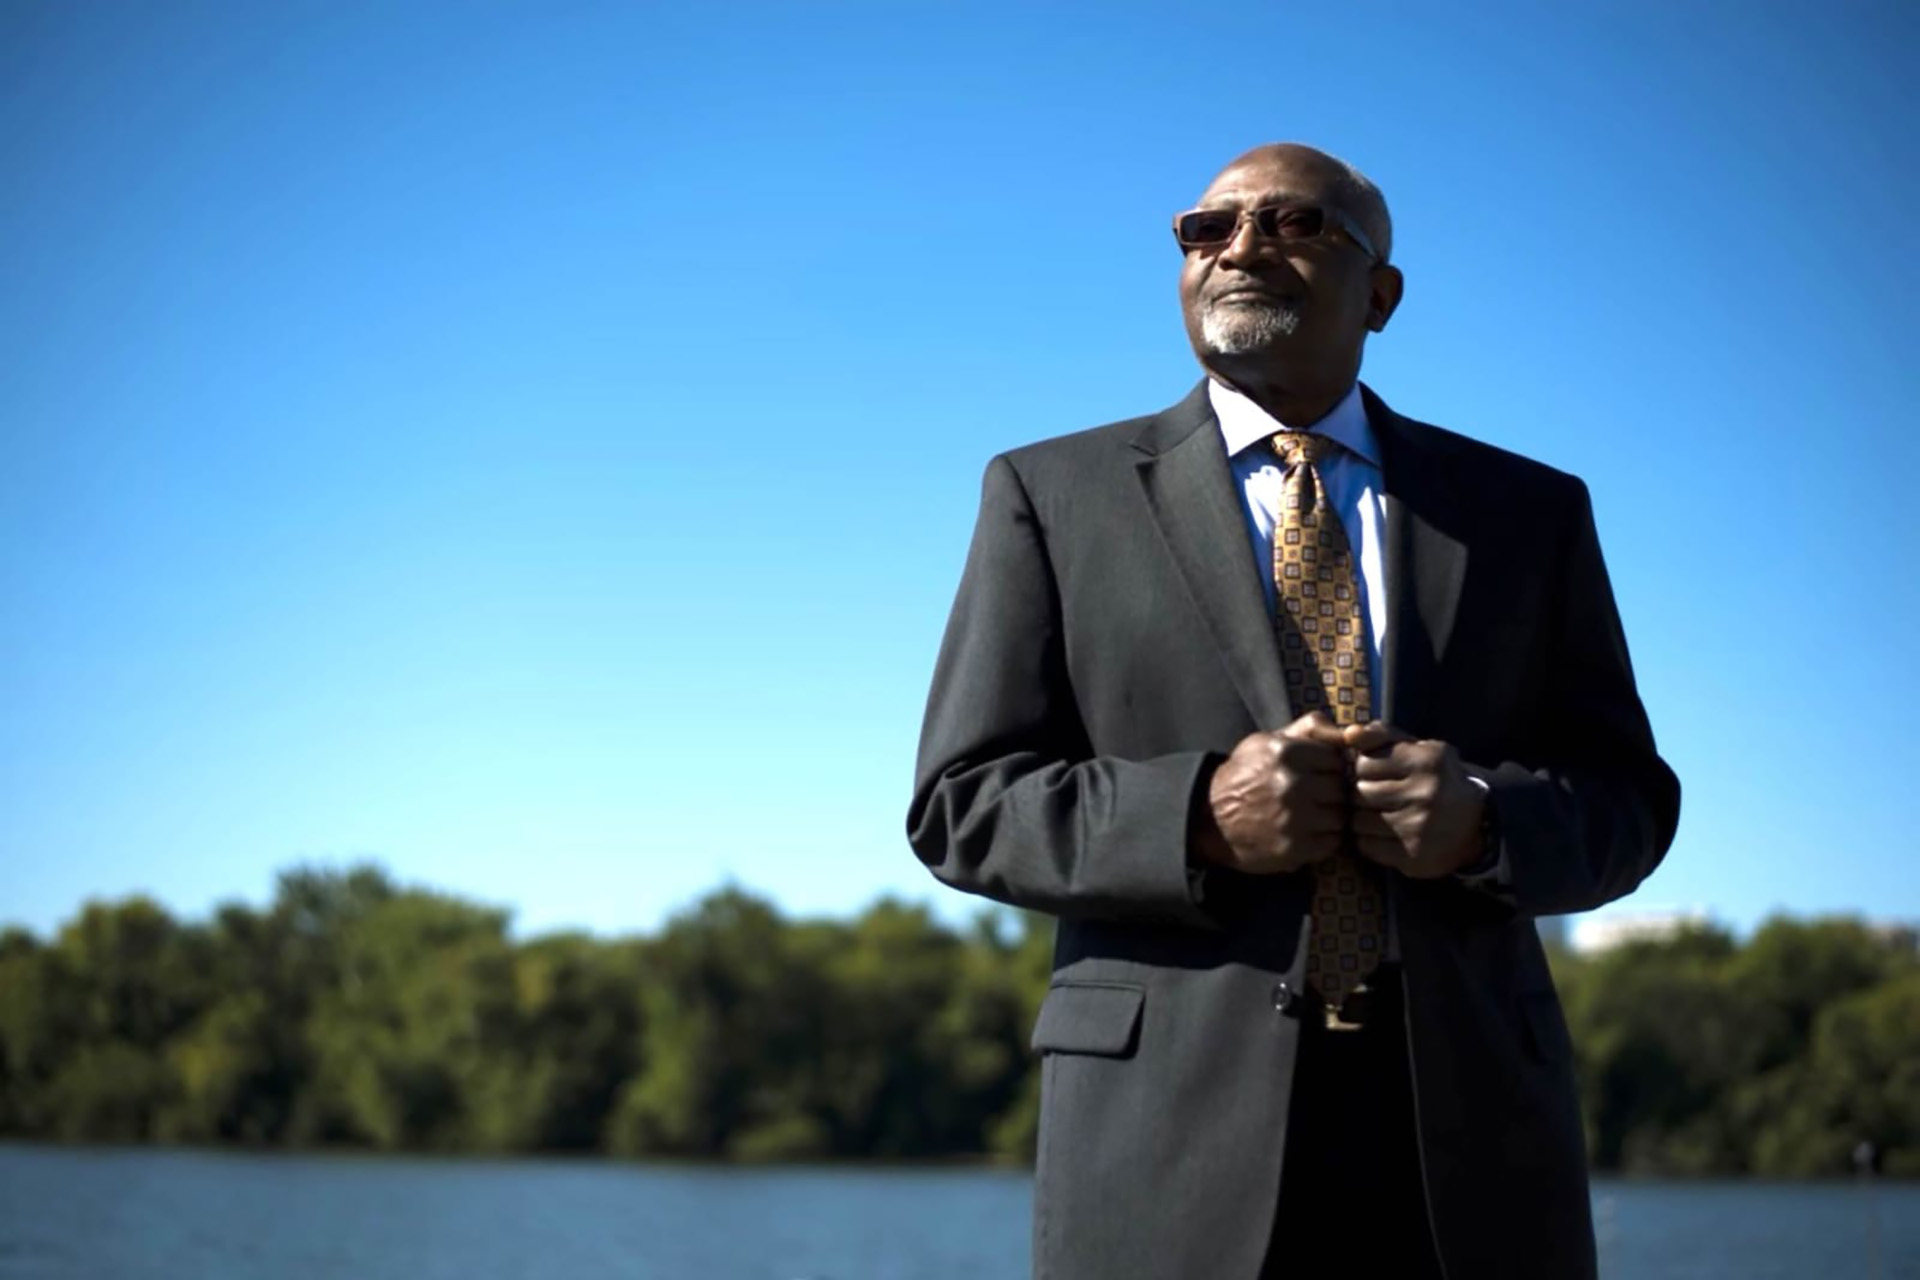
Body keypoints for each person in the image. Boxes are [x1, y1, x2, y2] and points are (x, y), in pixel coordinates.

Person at [906, 143, 1681, 1279]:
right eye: (1206, 230)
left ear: (1381, 294)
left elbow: (1630, 800)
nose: (1240, 249)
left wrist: (1481, 822)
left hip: (1468, 1145)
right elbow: (962, 803)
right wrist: (1196, 817)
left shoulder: (1529, 511)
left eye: (1293, 224)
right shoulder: (1049, 494)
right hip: (1161, 1138)